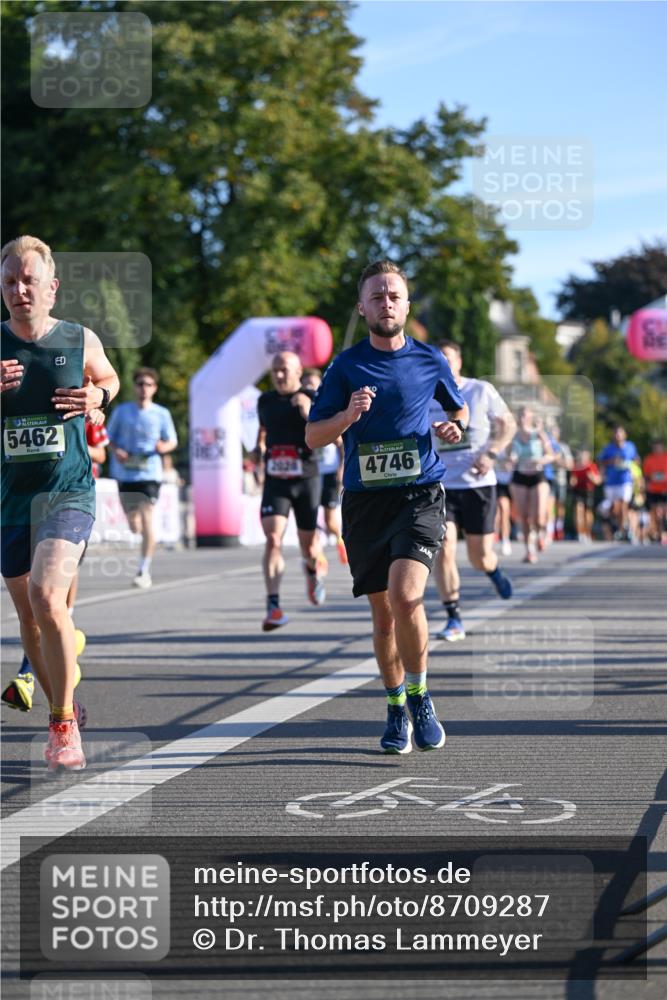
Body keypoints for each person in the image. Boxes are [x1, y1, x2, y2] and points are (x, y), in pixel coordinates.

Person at [306, 260, 469, 754]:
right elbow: (314, 436)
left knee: (406, 597)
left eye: (394, 295)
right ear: (363, 307)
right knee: (382, 619)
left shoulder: (429, 360)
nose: (386, 303)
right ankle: (395, 704)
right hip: (364, 502)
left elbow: (457, 409)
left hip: (419, 494)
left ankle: (420, 695)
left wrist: (452, 428)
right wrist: (349, 414)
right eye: (376, 296)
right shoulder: (345, 366)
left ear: (406, 303)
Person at [1, 235, 119, 770]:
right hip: (9, 497)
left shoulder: (77, 338)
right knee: (29, 616)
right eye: (9, 281)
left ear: (52, 287)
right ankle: (63, 694)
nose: (19, 290)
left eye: (29, 280)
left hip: (67, 490)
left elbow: (109, 377)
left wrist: (98, 397)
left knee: (49, 598)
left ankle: (62, 723)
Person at [1, 409, 107, 712]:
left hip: (68, 496)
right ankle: (62, 638)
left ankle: (36, 677)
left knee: (49, 595)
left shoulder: (77, 393)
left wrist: (97, 402)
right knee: (33, 611)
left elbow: (102, 452)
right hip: (15, 500)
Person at [429, 341, 515, 642]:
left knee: (479, 557)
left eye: (448, 359)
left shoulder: (480, 390)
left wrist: (492, 452)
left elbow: (508, 425)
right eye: (438, 360)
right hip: (440, 486)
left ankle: (493, 571)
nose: (444, 365)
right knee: (444, 548)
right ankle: (453, 617)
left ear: (459, 362)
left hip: (478, 485)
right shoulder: (424, 393)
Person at [255, 351, 328, 631]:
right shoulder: (265, 400)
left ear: (298, 371)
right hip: (276, 479)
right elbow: (262, 431)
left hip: (306, 478)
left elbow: (325, 436)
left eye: (285, 369)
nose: (279, 375)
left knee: (308, 545)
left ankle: (313, 567)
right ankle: (273, 606)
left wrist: (306, 410)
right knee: (273, 538)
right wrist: (258, 448)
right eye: (275, 370)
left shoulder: (313, 396)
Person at [107, 368, 177, 588]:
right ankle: (134, 527)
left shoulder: (161, 413)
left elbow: (172, 440)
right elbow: (108, 438)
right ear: (135, 387)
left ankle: (143, 569)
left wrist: (163, 446)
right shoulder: (122, 411)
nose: (144, 389)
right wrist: (116, 450)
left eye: (148, 385)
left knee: (147, 518)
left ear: (154, 388)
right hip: (126, 473)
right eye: (140, 384)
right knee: (134, 524)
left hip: (150, 473)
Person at [300, 367, 347, 564]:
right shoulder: (297, 405)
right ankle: (317, 556)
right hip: (307, 473)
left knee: (329, 521)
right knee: (310, 519)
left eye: (314, 383)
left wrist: (341, 467)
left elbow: (340, 443)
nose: (310, 387)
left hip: (328, 470)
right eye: (306, 383)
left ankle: (339, 539)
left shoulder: (327, 408)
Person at [509, 407, 555, 563]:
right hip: (520, 476)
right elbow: (509, 454)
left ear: (531, 418)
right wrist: (511, 459)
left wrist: (540, 460)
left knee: (539, 517)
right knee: (524, 516)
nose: (523, 418)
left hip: (537, 476)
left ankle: (541, 533)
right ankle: (529, 550)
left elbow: (551, 455)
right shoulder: (513, 436)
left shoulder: (539, 434)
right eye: (520, 415)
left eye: (526, 416)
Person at [597, 425, 639, 541]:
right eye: (616, 433)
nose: (618, 435)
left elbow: (636, 460)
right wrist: (610, 462)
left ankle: (623, 528)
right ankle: (618, 525)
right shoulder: (608, 448)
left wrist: (633, 468)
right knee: (615, 507)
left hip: (625, 481)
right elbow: (600, 461)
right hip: (611, 482)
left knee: (623, 504)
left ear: (625, 434)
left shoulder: (630, 447)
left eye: (620, 433)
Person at [569, 449, 602, 543]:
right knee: (578, 511)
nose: (582, 458)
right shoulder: (576, 466)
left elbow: (598, 480)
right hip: (578, 491)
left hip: (588, 491)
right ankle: (580, 533)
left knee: (588, 513)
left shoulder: (592, 466)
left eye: (584, 456)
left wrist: (592, 478)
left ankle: (587, 532)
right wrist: (572, 481)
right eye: (581, 456)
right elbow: (573, 479)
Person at [643, 439, 667, 543]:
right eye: (655, 447)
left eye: (659, 447)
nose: (657, 449)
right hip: (653, 490)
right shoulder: (649, 459)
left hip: (665, 489)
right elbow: (646, 475)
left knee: (664, 513)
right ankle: (657, 533)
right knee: (655, 513)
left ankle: (664, 533)